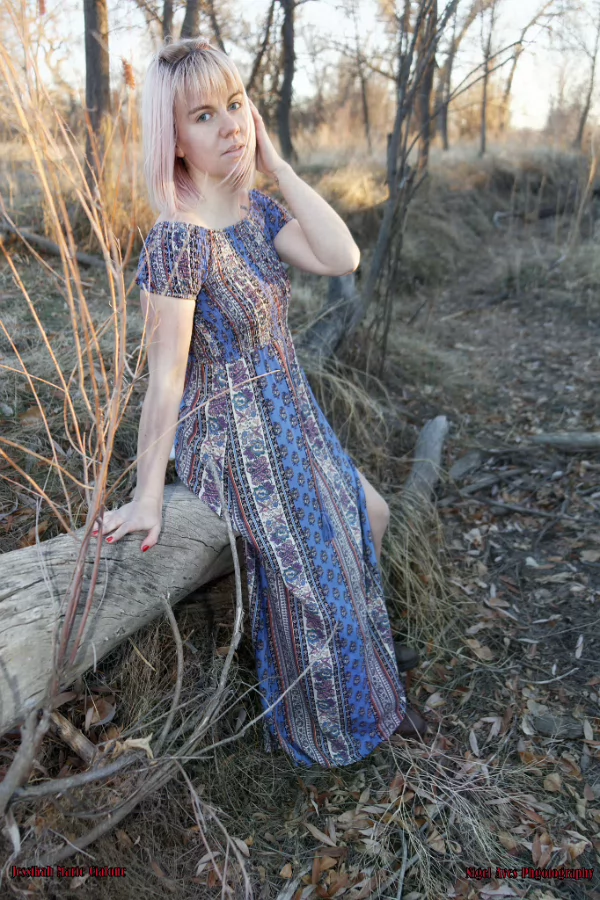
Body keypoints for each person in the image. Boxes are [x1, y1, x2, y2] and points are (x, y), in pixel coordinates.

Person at [93, 37, 426, 768]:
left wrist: (279, 166)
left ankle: (366, 668)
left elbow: (342, 257)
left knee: (370, 515)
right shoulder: (177, 241)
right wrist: (147, 494)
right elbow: (166, 379)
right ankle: (333, 722)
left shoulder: (257, 211)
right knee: (319, 571)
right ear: (174, 139)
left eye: (236, 104)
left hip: (289, 406)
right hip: (230, 429)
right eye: (203, 116)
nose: (229, 126)